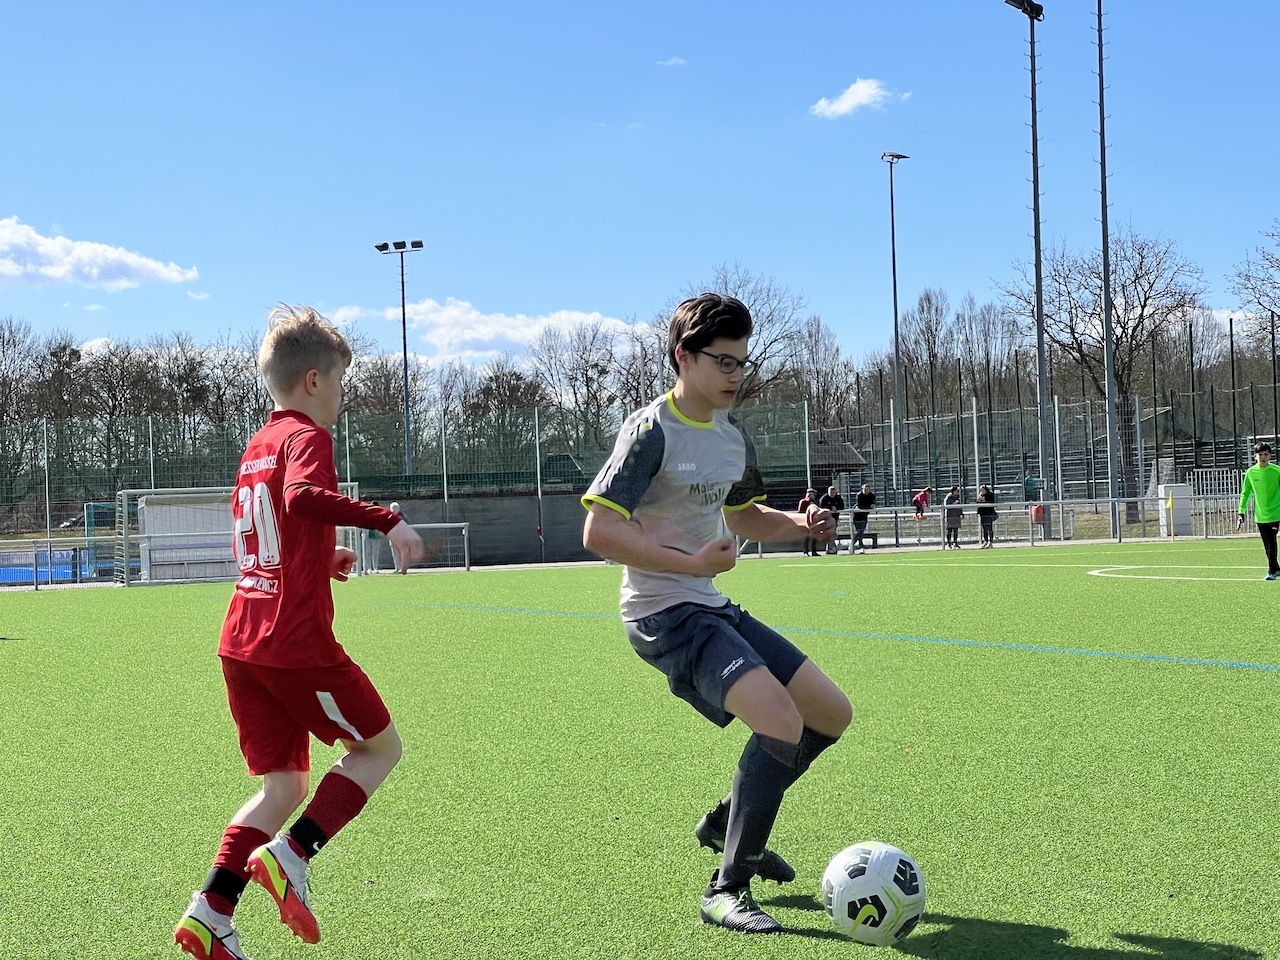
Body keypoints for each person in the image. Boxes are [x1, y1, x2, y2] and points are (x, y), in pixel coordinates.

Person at [581, 293, 852, 935]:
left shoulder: (731, 438)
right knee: (780, 720)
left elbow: (743, 517)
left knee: (829, 713)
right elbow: (599, 532)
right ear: (684, 357)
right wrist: (693, 563)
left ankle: (726, 824)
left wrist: (802, 524)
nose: (736, 375)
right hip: (663, 612)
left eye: (742, 362)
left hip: (709, 604)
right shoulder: (651, 431)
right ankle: (729, 887)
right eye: (723, 362)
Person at [174, 305, 425, 960]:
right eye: (339, 381)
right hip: (293, 643)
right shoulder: (307, 436)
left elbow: (273, 531)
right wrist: (386, 519)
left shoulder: (258, 443)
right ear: (314, 380)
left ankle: (210, 912)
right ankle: (292, 854)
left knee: (282, 787)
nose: (342, 396)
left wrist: (319, 556)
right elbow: (301, 500)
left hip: (242, 640)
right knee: (379, 750)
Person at [1237, 441, 1280, 580]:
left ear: (1270, 455)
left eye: (1265, 454)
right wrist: (1241, 512)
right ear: (1255, 456)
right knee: (1267, 545)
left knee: (1271, 542)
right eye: (1260, 454)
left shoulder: (1277, 471)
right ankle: (1276, 568)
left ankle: (1271, 571)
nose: (1263, 457)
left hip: (1275, 513)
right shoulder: (1250, 472)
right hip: (1260, 515)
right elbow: (1245, 493)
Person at [818, 485, 844, 554]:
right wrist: (830, 508)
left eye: (833, 492)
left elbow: (842, 506)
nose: (832, 494)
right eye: (831, 492)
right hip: (826, 520)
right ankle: (833, 548)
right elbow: (821, 507)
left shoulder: (838, 498)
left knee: (830, 534)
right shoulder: (824, 498)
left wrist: (836, 508)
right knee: (830, 534)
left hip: (835, 519)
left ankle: (829, 549)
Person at [851, 483, 876, 554]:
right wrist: (869, 506)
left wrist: (871, 506)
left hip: (864, 516)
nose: (866, 490)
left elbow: (873, 504)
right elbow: (860, 506)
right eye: (864, 489)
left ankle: (854, 545)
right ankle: (859, 546)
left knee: (861, 531)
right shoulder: (859, 495)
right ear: (862, 489)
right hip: (856, 516)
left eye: (867, 489)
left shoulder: (872, 495)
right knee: (860, 531)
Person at [797, 487, 820, 556]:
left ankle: (813, 551)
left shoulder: (814, 502)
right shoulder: (804, 501)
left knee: (814, 536)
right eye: (813, 494)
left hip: (813, 521)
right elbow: (800, 512)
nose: (814, 496)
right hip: (806, 521)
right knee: (806, 537)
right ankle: (805, 551)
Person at [387, 501, 406, 574]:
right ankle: (397, 567)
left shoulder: (402, 517)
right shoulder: (389, 516)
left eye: (394, 509)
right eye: (392, 509)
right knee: (395, 554)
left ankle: (402, 567)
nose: (393, 510)